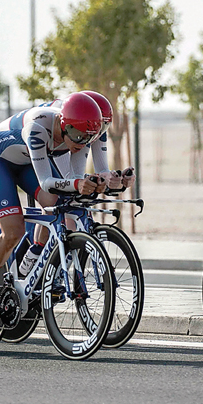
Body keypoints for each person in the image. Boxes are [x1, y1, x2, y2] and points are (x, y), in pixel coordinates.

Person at [0, 92, 105, 324]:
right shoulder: (39, 127)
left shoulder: (79, 137)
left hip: (27, 162)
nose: (80, 143)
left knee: (62, 206)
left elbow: (74, 178)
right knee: (13, 231)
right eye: (76, 136)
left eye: (87, 139)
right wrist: (78, 183)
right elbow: (48, 182)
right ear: (63, 125)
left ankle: (34, 263)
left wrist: (88, 184)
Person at [18, 90, 135, 275]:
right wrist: (82, 184)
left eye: (102, 129)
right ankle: (38, 252)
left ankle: (52, 262)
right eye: (95, 130)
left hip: (69, 136)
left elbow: (101, 170)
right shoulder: (77, 123)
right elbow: (68, 179)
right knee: (62, 200)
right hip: (39, 145)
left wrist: (117, 180)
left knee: (73, 198)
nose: (96, 135)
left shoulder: (92, 129)